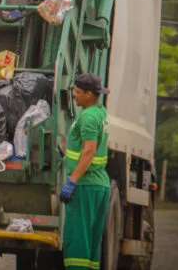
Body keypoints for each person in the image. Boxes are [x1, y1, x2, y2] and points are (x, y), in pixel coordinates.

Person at [60, 73, 111, 270]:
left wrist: (72, 180)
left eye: (78, 92)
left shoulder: (88, 117)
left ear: (89, 94)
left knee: (77, 242)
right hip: (99, 185)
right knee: (91, 245)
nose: (74, 95)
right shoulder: (100, 112)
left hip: (85, 185)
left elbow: (89, 150)